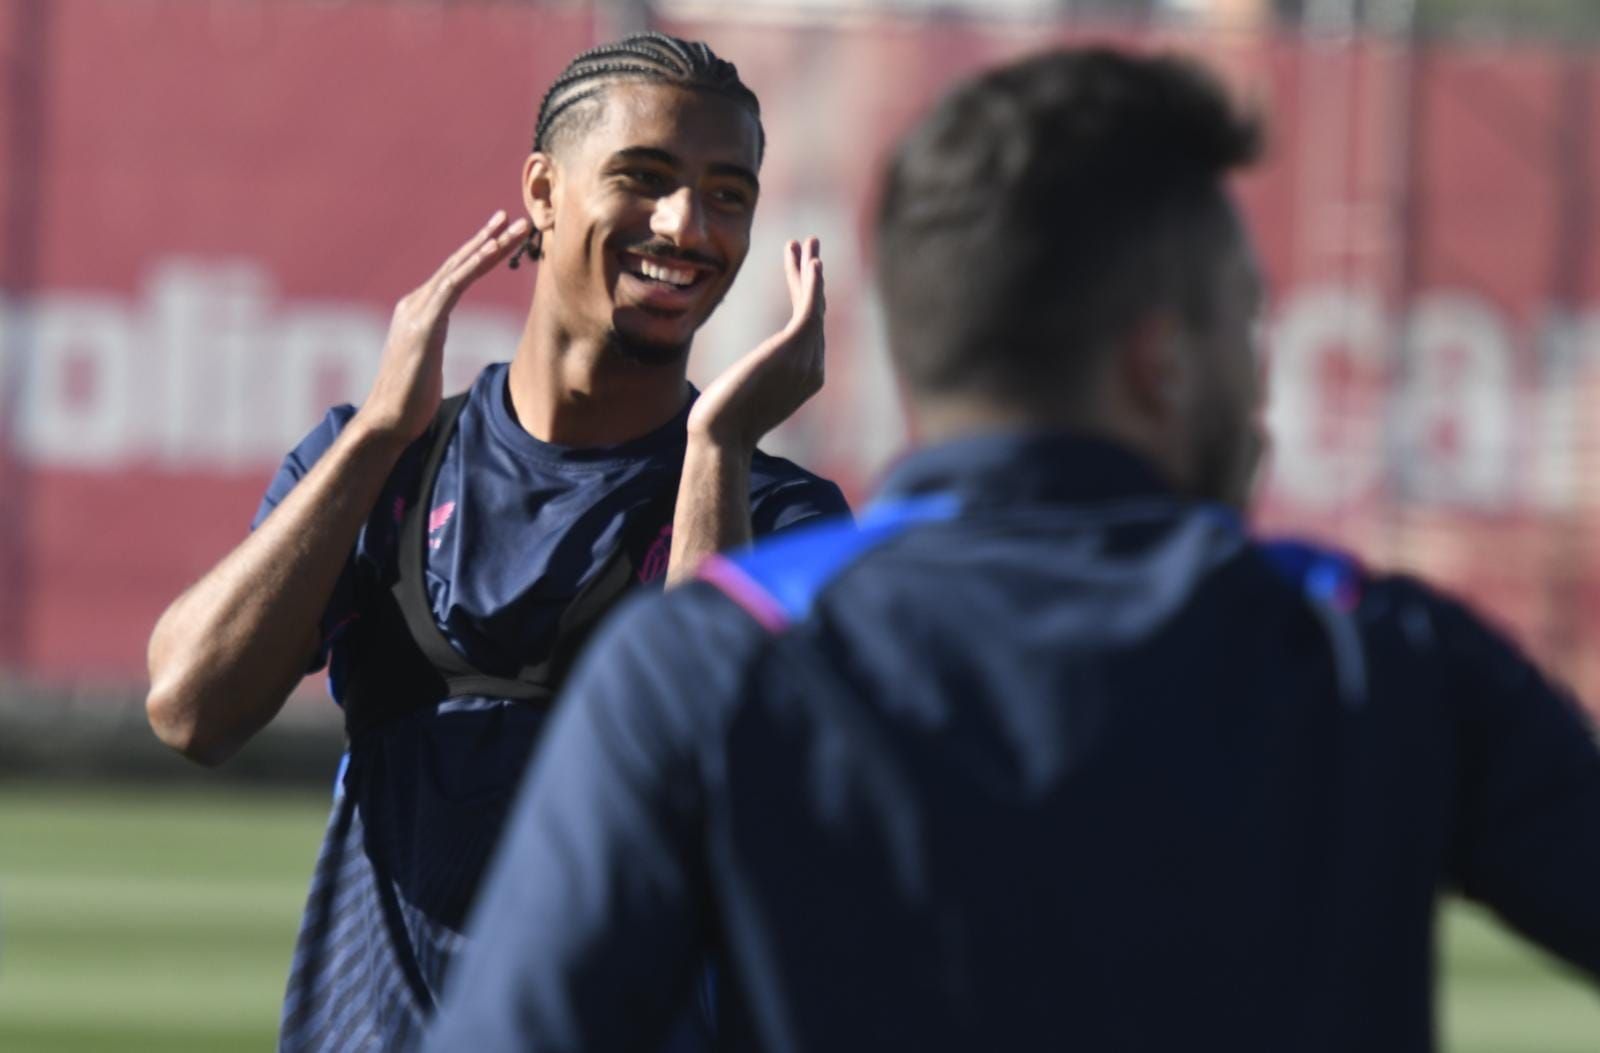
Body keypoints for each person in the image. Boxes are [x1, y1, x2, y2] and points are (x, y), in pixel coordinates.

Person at [424, 45, 1600, 1053]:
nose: (1260, 379)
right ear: (1162, 358)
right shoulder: (1373, 652)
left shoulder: (712, 658)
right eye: (1244, 323)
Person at [143, 31, 848, 1052]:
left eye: (726, 193)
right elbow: (190, 710)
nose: (686, 225)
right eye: (643, 178)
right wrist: (381, 434)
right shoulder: (380, 461)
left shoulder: (782, 516)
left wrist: (719, 448)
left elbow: (706, 786)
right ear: (543, 191)